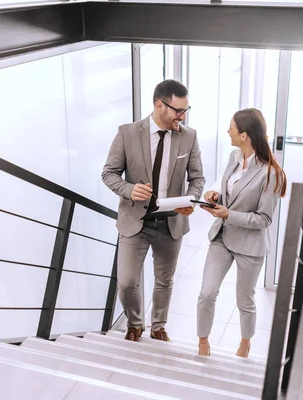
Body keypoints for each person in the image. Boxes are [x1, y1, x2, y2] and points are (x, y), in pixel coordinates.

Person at [102, 79, 205, 342]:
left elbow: (197, 178)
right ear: (159, 105)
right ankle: (135, 323)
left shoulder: (189, 136)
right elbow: (109, 173)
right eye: (177, 110)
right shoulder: (127, 133)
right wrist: (128, 189)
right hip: (134, 221)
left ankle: (158, 326)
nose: (181, 116)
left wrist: (191, 199)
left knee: (164, 280)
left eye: (185, 110)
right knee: (126, 282)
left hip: (171, 223)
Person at [196, 108, 286, 357]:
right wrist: (215, 194)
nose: (228, 132)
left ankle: (245, 343)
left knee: (244, 301)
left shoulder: (271, 173)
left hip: (250, 244)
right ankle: (203, 342)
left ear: (244, 135)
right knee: (206, 293)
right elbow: (231, 191)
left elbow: (264, 218)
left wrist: (229, 214)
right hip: (222, 237)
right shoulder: (234, 157)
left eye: (231, 128)